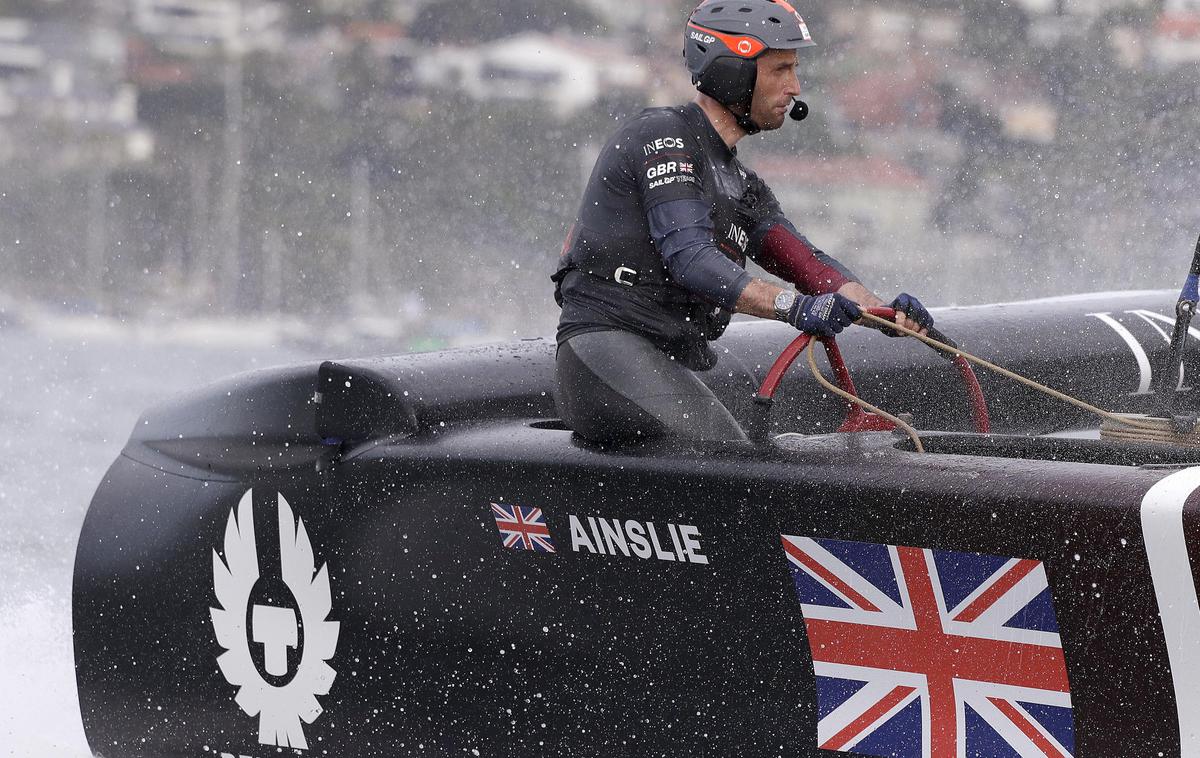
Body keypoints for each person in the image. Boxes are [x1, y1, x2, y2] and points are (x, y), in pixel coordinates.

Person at [551, 0, 934, 444]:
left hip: (649, 357)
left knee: (743, 461)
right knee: (737, 473)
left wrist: (883, 313)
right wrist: (795, 308)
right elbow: (692, 260)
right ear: (730, 70)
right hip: (602, 350)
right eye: (781, 70)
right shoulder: (663, 135)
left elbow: (811, 267)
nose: (795, 86)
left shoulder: (742, 186)